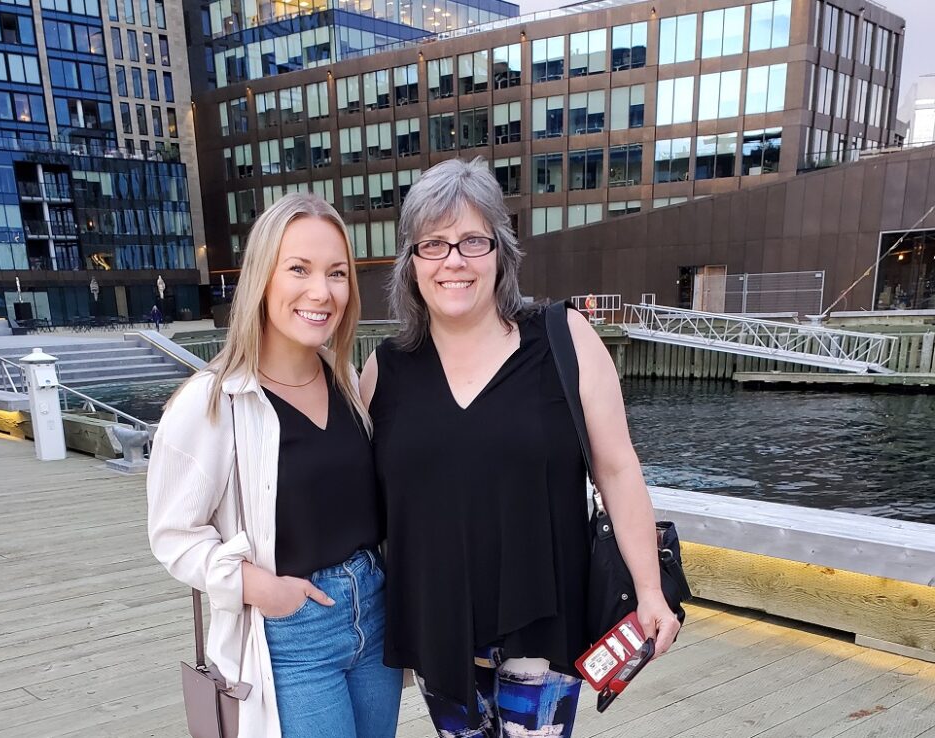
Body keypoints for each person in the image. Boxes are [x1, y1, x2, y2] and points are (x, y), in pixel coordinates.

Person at [360, 158, 680, 736]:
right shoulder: (383, 370)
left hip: (544, 613)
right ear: (411, 264)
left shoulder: (564, 338)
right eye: (432, 244)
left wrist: (650, 591)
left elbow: (617, 469)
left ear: (501, 253)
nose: (453, 260)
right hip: (440, 625)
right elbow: (358, 496)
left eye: (471, 241)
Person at [148, 193, 402, 738]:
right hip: (292, 633)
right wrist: (258, 587)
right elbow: (172, 535)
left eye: (337, 273)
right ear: (263, 278)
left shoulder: (347, 382)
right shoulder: (214, 401)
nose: (322, 291)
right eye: (299, 269)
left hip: (374, 614)